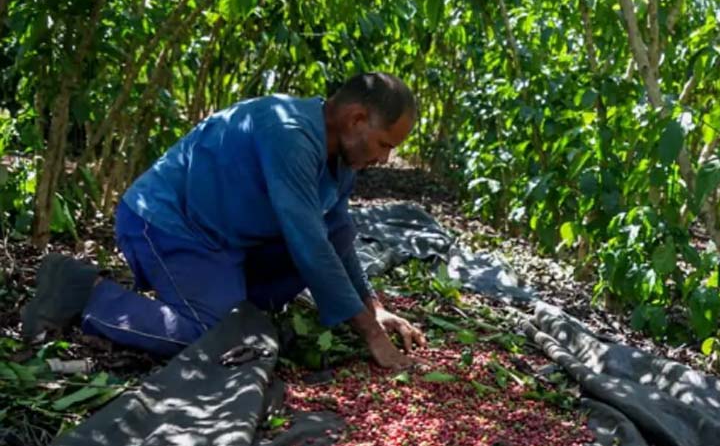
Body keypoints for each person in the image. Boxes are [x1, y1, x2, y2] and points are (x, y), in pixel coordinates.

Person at [20, 72, 425, 368]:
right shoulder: (289, 134)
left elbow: (337, 235)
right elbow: (309, 242)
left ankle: (223, 300)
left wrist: (374, 309)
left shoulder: (342, 159)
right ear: (356, 119)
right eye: (384, 144)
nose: (385, 159)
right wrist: (370, 335)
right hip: (168, 225)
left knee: (254, 315)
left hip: (228, 240)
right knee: (214, 337)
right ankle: (84, 291)